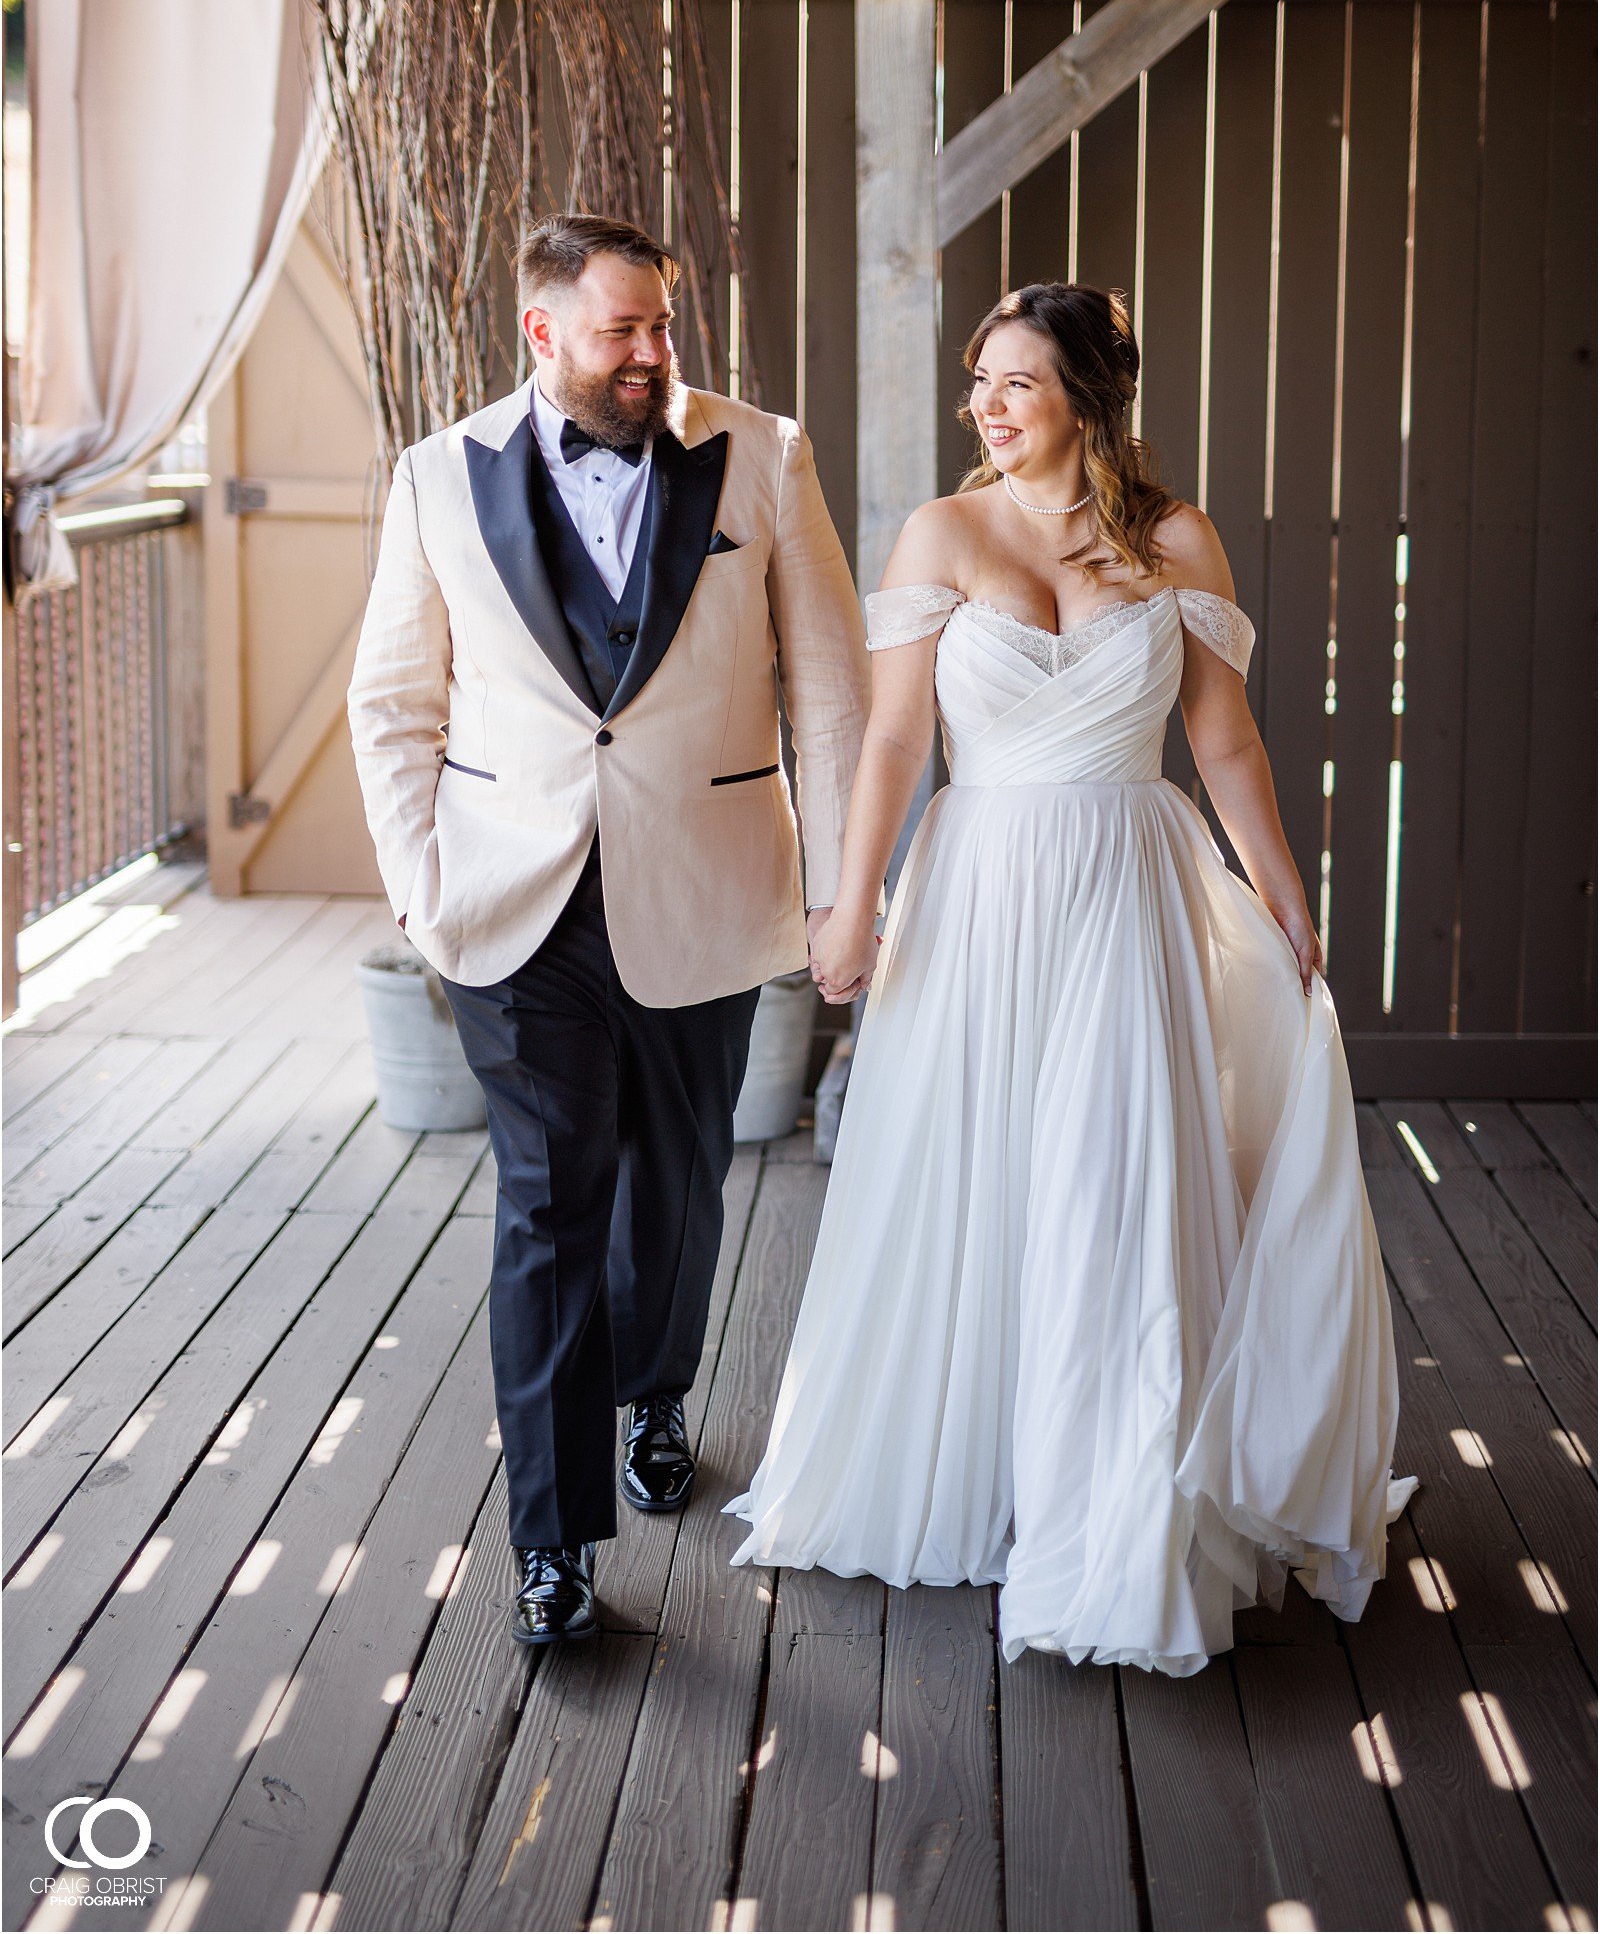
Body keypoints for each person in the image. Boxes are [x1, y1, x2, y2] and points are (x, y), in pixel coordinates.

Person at [727, 282, 1417, 1677]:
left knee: (1116, 1180)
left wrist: (1285, 893)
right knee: (977, 1169)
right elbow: (894, 741)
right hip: (980, 889)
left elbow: (1223, 743)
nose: (985, 402)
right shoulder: (943, 531)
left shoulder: (1176, 542)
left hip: (1126, 887)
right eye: (979, 378)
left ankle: (1118, 1491)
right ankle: (982, 1457)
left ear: (1091, 400)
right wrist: (850, 900)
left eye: (1017, 381)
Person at [348, 214, 869, 1649]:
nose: (654, 353)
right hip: (512, 910)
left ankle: (657, 1388)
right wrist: (417, 880)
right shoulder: (437, 477)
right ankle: (555, 1544)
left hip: (706, 888)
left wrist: (839, 891)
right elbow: (392, 701)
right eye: (623, 329)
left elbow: (829, 691)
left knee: (680, 1183)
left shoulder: (763, 454)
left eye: (664, 325)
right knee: (547, 1206)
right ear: (543, 333)